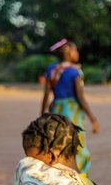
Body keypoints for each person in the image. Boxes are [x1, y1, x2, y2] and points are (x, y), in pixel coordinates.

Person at [41, 38, 100, 176]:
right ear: (70, 53)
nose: (77, 53)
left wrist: (42, 116)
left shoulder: (52, 70)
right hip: (72, 112)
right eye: (76, 50)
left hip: (56, 110)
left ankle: (60, 173)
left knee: (58, 143)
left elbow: (46, 96)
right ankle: (79, 175)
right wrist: (93, 119)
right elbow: (80, 97)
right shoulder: (75, 72)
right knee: (77, 143)